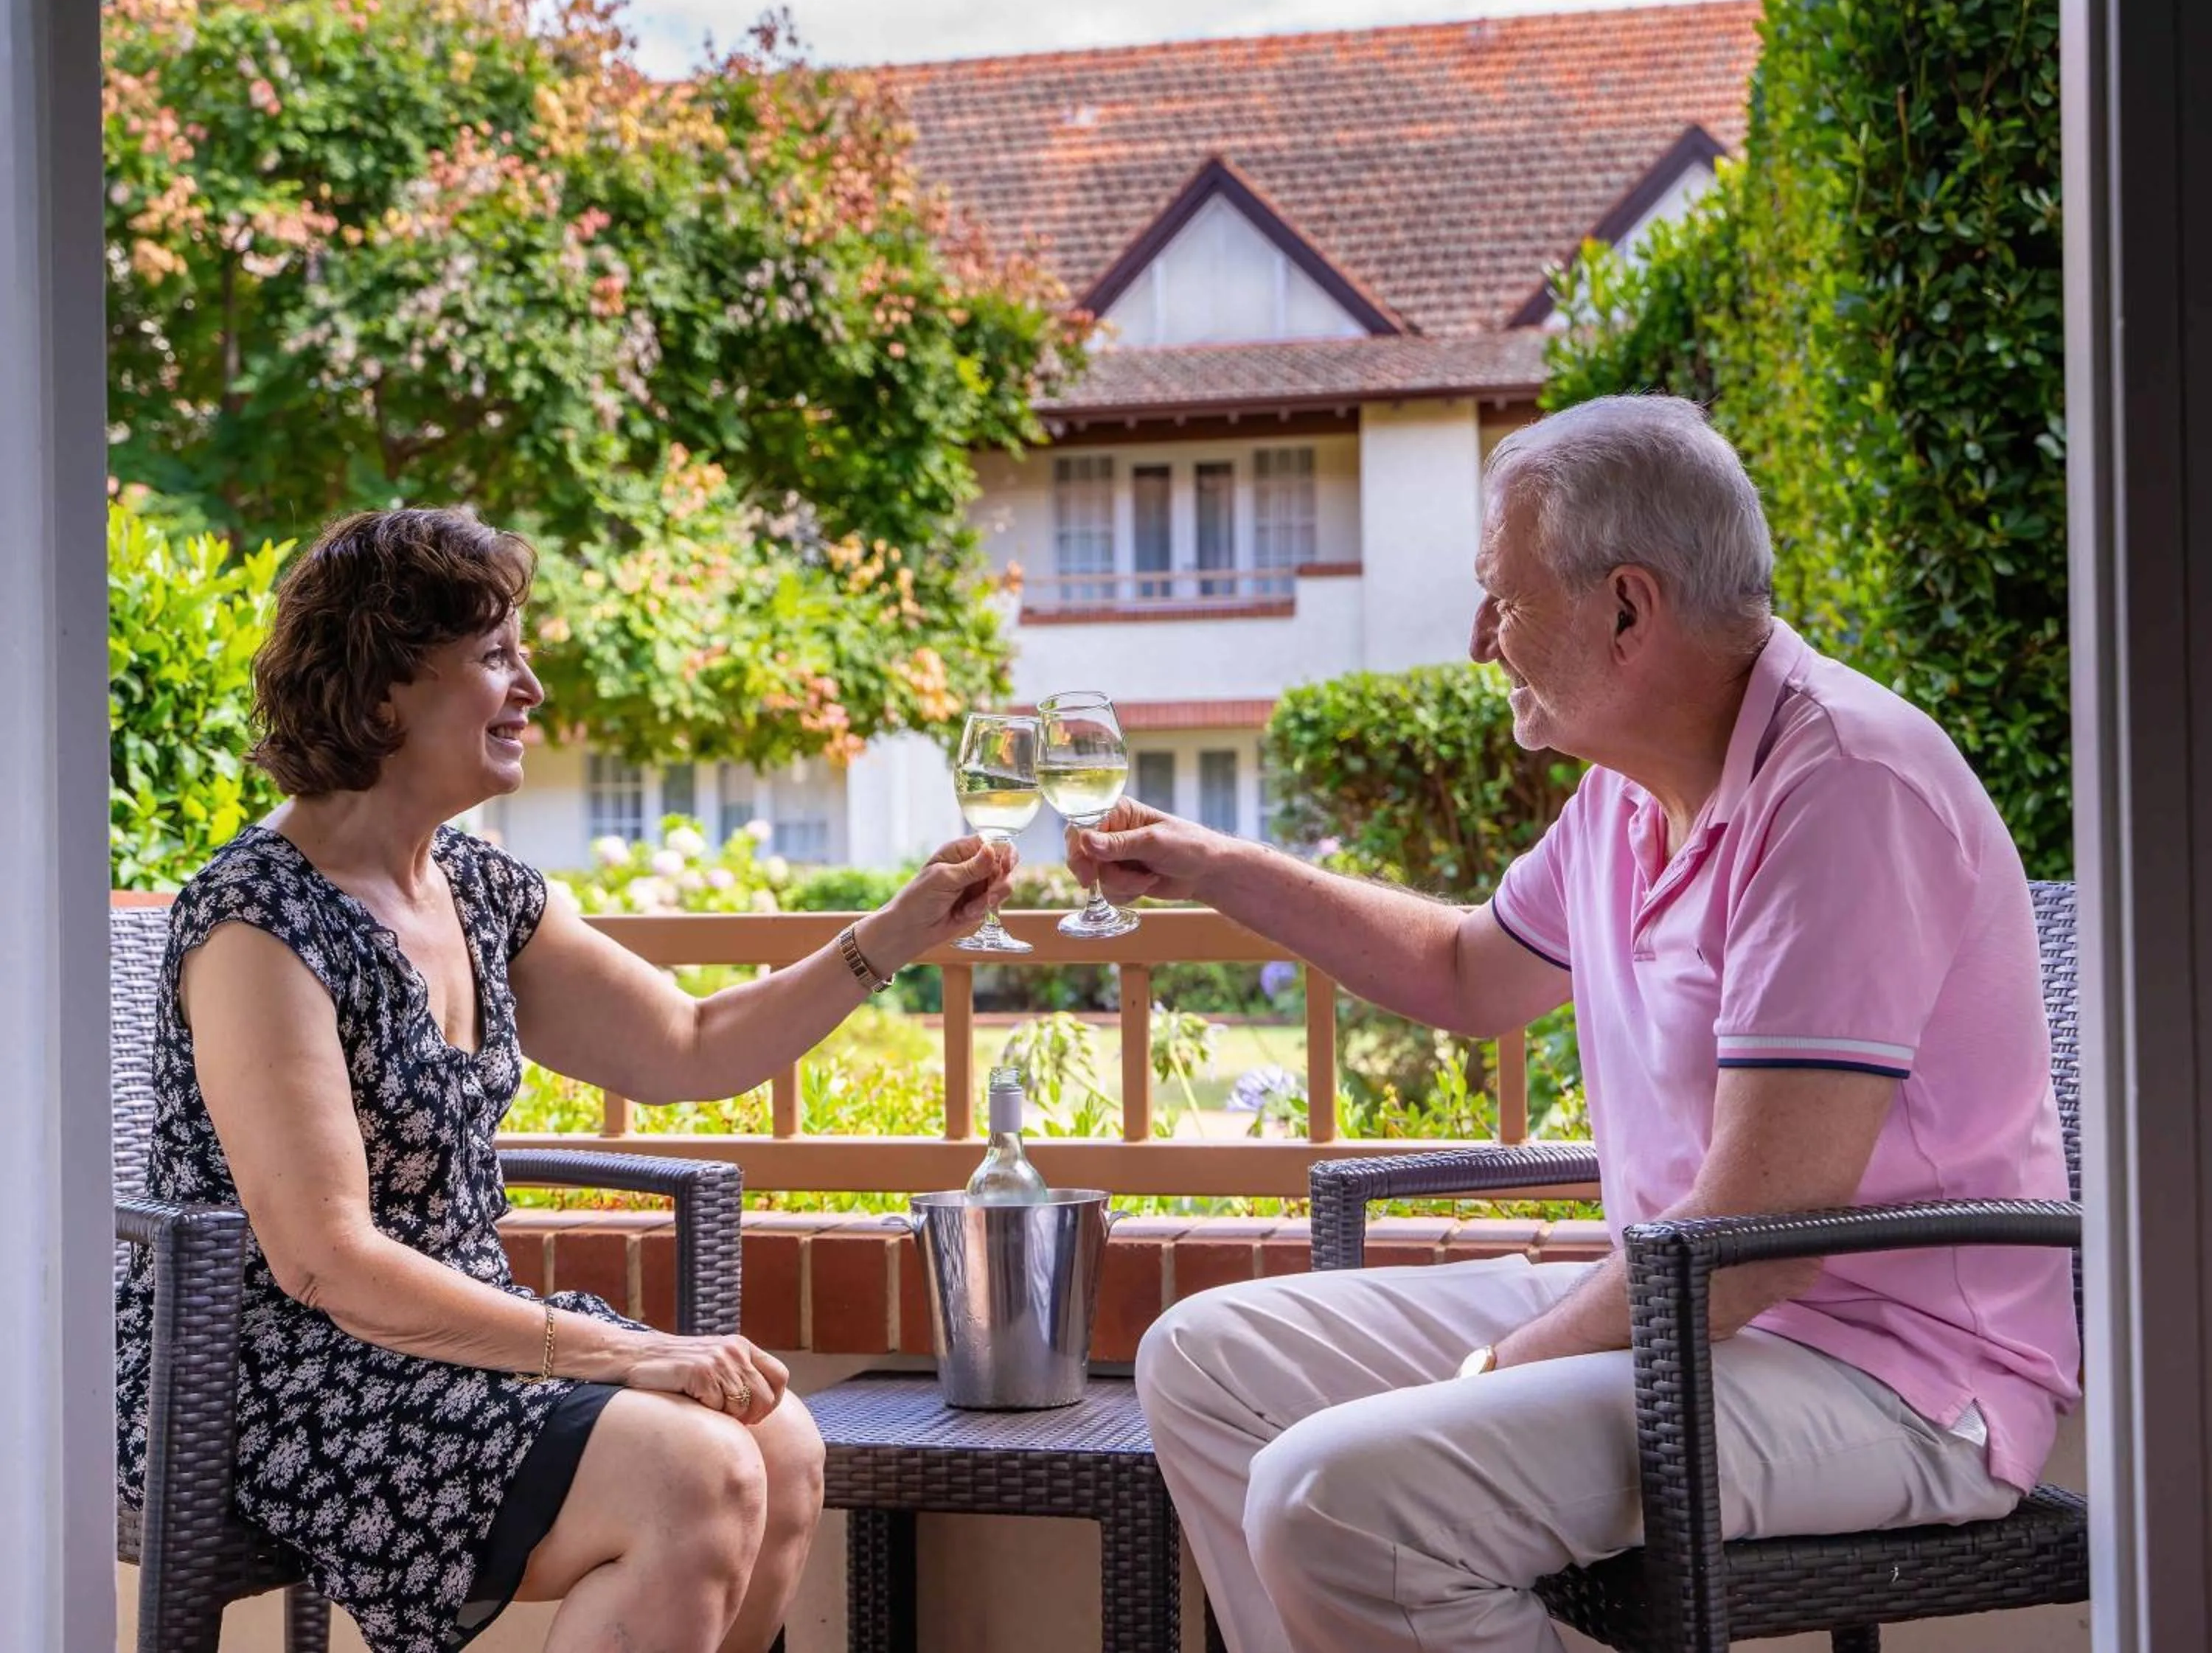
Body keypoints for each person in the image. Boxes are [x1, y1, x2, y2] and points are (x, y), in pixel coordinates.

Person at [1070, 395, 2081, 1653]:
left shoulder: (1843, 790)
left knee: (1338, 1498)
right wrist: (1218, 863)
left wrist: (1507, 1364)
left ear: (1628, 609)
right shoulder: (1628, 796)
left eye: (1505, 594)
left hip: (1893, 1373)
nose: (1483, 637)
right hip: (1693, 1310)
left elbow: (1761, 1239)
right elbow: (1467, 972)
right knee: (1205, 1361)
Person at [114, 507, 1015, 1653]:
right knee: (694, 1471)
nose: (530, 686)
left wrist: (892, 934)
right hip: (269, 1383)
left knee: (778, 1441)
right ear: (382, 690)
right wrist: (635, 1352)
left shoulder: (482, 889)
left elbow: (690, 1044)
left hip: (445, 1345)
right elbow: (322, 1258)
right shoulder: (257, 919)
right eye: (495, 656)